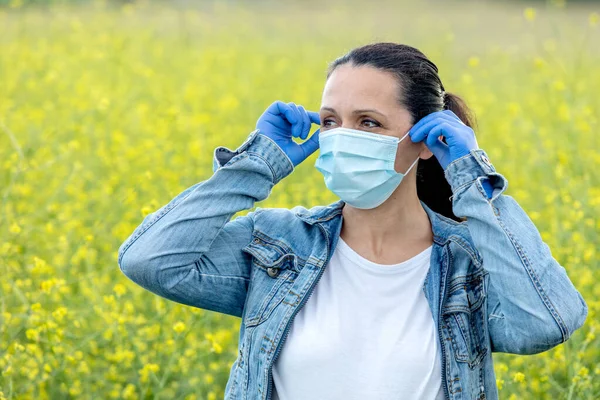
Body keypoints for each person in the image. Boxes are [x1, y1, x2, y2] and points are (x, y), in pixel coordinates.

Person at [117, 42, 588, 400]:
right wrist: (257, 164)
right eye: (329, 121)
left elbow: (544, 324)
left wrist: (469, 174)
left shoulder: (470, 262)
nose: (341, 138)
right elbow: (150, 260)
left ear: (427, 139)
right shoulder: (279, 246)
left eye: (368, 123)